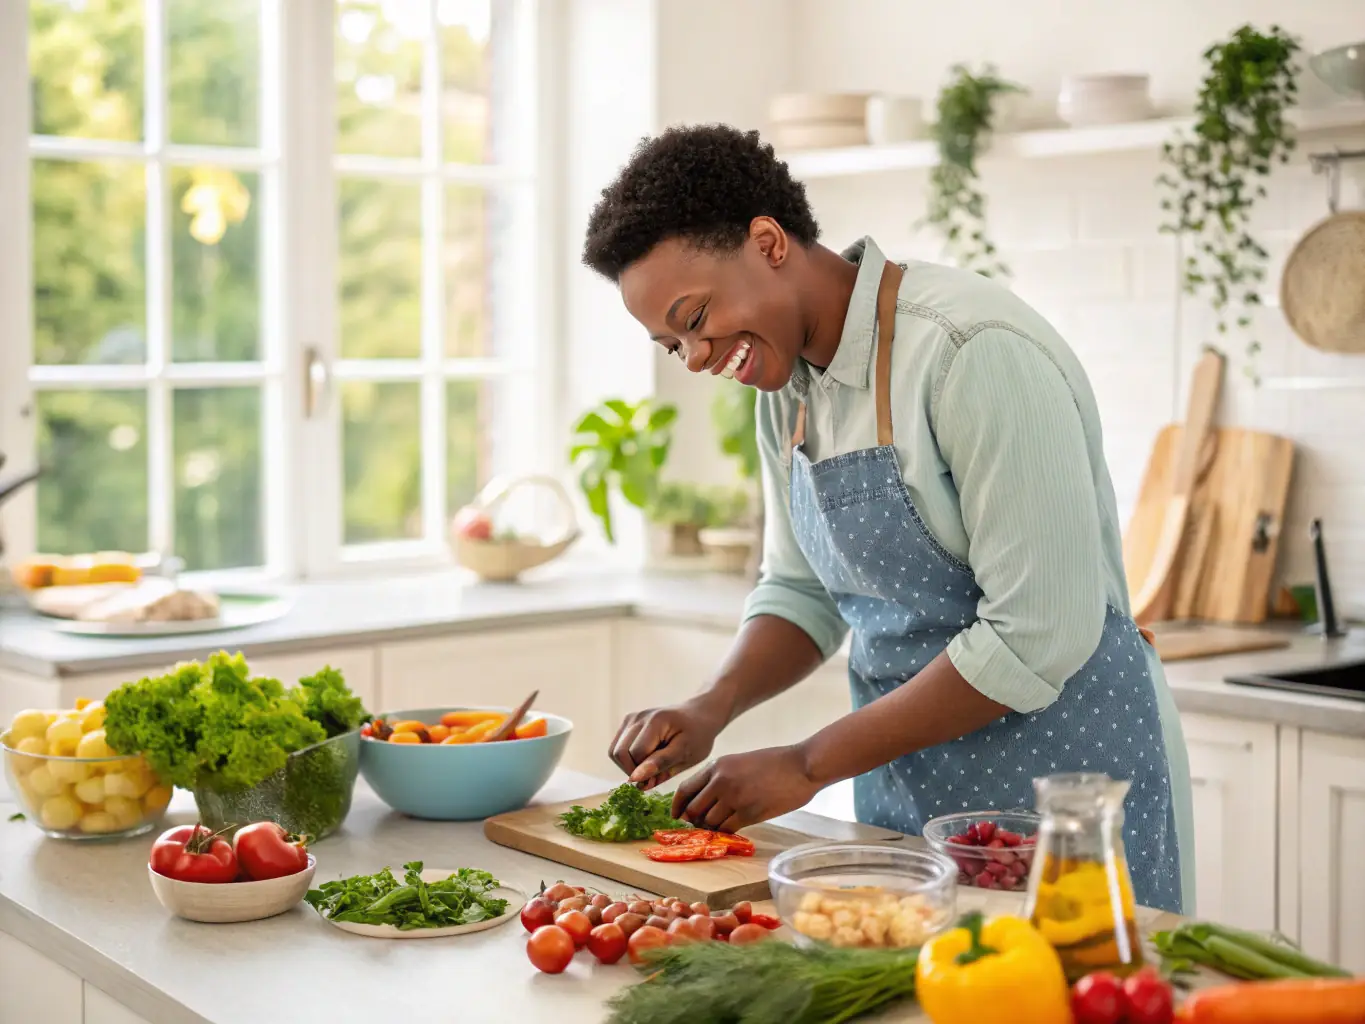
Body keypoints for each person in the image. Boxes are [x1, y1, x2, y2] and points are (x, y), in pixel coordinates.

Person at [581, 123, 1194, 914]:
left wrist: (805, 764)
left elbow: (1035, 632)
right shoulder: (787, 392)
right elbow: (800, 592)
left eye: (694, 318)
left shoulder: (971, 351)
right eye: (673, 346)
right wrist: (712, 704)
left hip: (1067, 792)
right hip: (909, 790)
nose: (695, 357)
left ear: (767, 242)